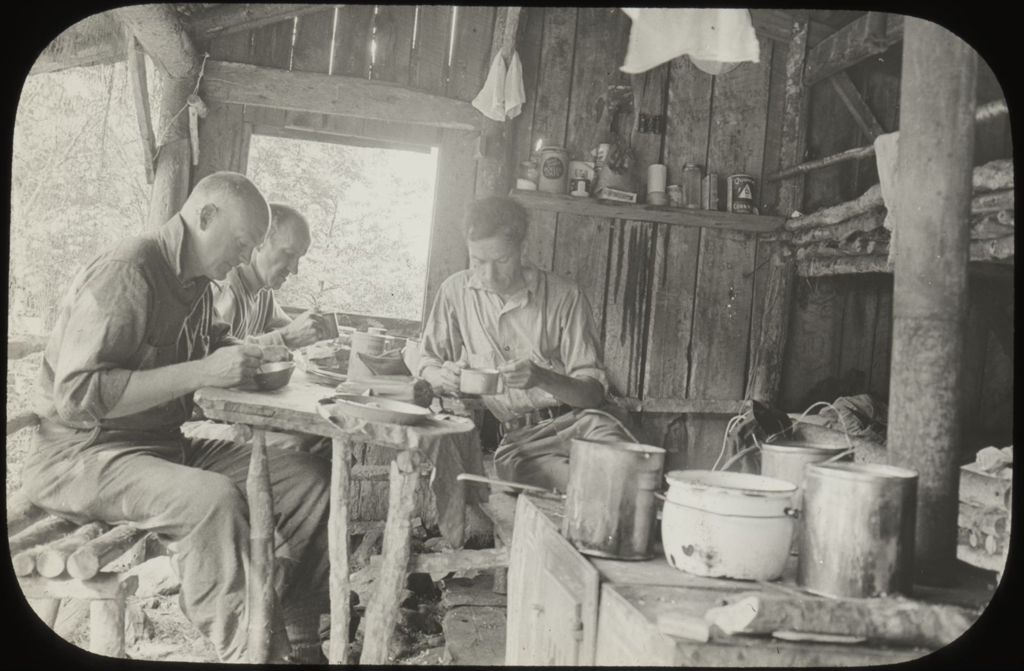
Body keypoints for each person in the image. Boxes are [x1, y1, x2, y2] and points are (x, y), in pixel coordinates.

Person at [22, 172, 329, 664]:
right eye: (242, 243)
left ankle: (300, 630)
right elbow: (80, 395)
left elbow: (215, 345)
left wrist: (246, 356)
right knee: (212, 500)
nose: (247, 258)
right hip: (81, 455)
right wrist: (204, 371)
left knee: (309, 480)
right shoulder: (131, 268)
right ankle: (253, 653)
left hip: (157, 446)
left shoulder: (200, 285)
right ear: (205, 217)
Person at [418, 196, 636, 493]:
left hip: (584, 423)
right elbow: (426, 361)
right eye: (478, 261)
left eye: (501, 260)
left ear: (522, 249)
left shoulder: (565, 297)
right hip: (520, 443)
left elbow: (594, 394)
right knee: (582, 488)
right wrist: (441, 376)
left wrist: (541, 376)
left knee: (625, 477)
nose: (489, 275)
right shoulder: (455, 292)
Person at [212, 202, 326, 348]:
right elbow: (218, 360)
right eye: (289, 254)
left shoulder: (263, 291)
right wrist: (286, 337)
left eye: (299, 258)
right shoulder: (226, 292)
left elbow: (292, 329)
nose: (294, 269)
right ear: (260, 242)